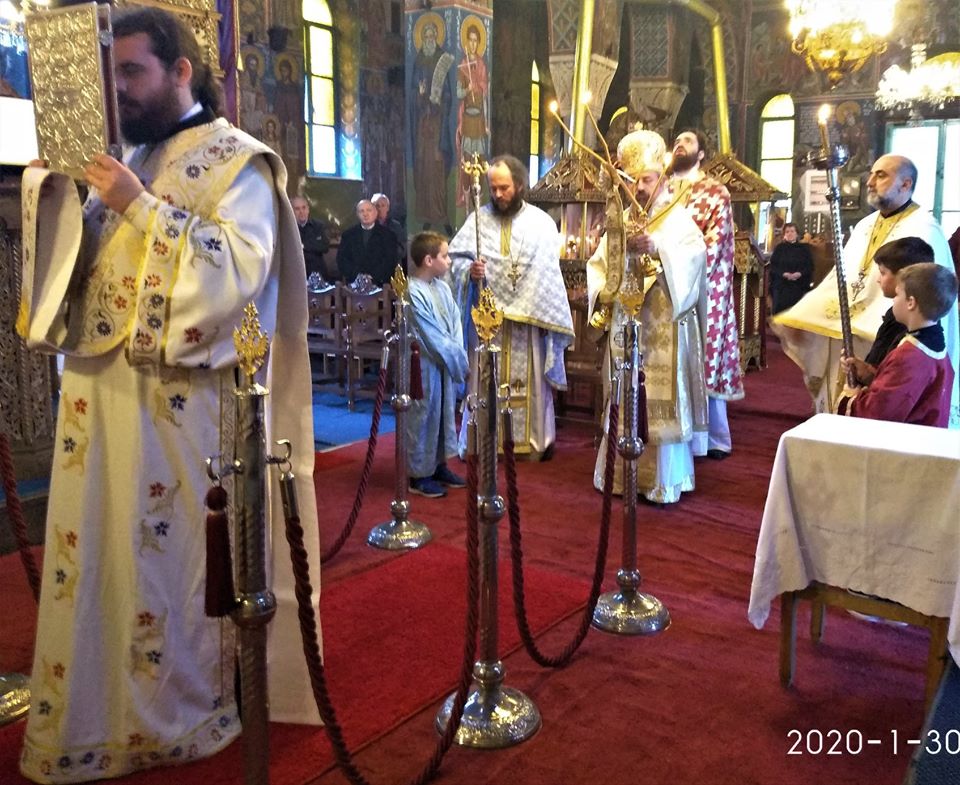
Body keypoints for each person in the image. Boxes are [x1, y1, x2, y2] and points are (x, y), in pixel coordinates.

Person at [15, 8, 321, 783]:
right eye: (111, 73)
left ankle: (178, 710)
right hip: (97, 393)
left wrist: (139, 206)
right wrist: (57, 200)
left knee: (159, 564)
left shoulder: (236, 161)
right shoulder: (126, 154)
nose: (118, 90)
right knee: (98, 555)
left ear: (181, 70)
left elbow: (238, 276)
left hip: (176, 407)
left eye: (132, 72)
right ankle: (95, 707)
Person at [773, 153, 959, 429]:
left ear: (906, 184)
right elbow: (840, 280)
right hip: (852, 337)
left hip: (893, 336)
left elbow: (925, 296)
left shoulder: (925, 229)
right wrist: (803, 317)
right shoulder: (865, 225)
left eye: (881, 175)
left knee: (881, 415)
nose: (870, 181)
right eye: (871, 174)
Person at [587, 130, 707, 503]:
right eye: (634, 180)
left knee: (659, 398)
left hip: (665, 324)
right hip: (627, 325)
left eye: (647, 180)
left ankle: (662, 483)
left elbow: (696, 259)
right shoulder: (619, 219)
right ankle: (620, 477)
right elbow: (599, 266)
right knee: (624, 395)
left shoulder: (678, 220)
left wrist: (658, 249)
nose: (639, 188)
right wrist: (605, 290)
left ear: (663, 180)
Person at [448, 154, 574, 460]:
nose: (498, 194)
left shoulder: (541, 224)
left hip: (527, 323)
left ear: (519, 185)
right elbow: (454, 261)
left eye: (504, 188)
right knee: (483, 382)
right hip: (486, 322)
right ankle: (480, 442)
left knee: (529, 383)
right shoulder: (477, 220)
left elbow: (547, 273)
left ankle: (532, 442)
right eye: (493, 188)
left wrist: (530, 305)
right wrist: (470, 272)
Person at [670, 128, 743, 459]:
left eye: (687, 141)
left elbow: (716, 241)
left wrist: (681, 266)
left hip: (703, 287)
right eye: (676, 141)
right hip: (665, 284)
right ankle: (676, 429)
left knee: (704, 357)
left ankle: (714, 437)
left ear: (700, 153)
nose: (679, 145)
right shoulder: (661, 189)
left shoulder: (716, 192)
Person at [838, 264, 958, 427]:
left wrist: (851, 397)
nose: (893, 300)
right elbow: (902, 392)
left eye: (897, 294)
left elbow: (878, 414)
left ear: (911, 302)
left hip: (908, 440)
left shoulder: (911, 356)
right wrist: (867, 374)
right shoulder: (932, 343)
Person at [405, 231, 468, 498]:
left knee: (443, 413)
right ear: (429, 260)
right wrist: (458, 359)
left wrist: (456, 353)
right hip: (423, 364)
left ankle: (438, 465)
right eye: (445, 255)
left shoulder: (442, 287)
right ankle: (418, 475)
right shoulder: (411, 291)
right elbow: (429, 333)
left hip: (444, 362)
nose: (449, 260)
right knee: (423, 414)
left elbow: (455, 322)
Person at [841, 236, 934, 387]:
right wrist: (866, 371)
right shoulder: (900, 314)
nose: (878, 279)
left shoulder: (907, 326)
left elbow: (893, 386)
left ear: (903, 277)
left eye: (883, 273)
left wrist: (860, 390)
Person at [409, 18, 454, 232]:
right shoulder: (418, 61)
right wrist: (419, 95)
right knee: (423, 167)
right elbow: (413, 95)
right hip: (422, 126)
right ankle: (426, 216)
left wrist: (438, 100)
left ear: (436, 38)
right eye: (425, 36)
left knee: (437, 166)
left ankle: (441, 215)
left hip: (437, 126)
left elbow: (449, 95)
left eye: (431, 36)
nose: (428, 39)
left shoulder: (442, 59)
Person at [455, 20, 489, 207]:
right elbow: (459, 93)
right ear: (466, 42)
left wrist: (487, 124)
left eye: (476, 41)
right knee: (467, 160)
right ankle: (467, 204)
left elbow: (485, 95)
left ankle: (479, 203)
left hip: (479, 121)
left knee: (481, 161)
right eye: (471, 40)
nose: (473, 44)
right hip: (468, 119)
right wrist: (468, 89)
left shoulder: (482, 65)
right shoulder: (463, 66)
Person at [336, 199, 400, 285]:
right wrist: (358, 276)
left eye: (369, 210)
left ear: (375, 213)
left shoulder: (388, 235)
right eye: (361, 211)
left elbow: (390, 261)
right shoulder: (348, 235)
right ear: (357, 214)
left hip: (380, 283)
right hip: (354, 283)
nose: (365, 214)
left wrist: (372, 276)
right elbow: (342, 260)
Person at [769, 222, 814, 314]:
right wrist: (784, 274)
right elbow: (773, 267)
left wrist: (799, 274)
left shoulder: (804, 249)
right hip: (782, 285)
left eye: (792, 231)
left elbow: (809, 266)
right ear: (784, 234)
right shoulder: (779, 248)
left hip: (799, 285)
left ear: (797, 234)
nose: (790, 234)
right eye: (787, 231)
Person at [292, 195, 331, 279]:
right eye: (297, 209)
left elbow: (324, 247)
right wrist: (313, 244)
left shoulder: (318, 226)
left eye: (304, 208)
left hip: (317, 273)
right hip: (296, 273)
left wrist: (303, 246)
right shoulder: (288, 229)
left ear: (308, 209)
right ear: (292, 211)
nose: (301, 211)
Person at [372, 191, 407, 267]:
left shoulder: (396, 226)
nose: (380, 208)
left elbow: (403, 249)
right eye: (377, 206)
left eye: (383, 205)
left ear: (387, 208)